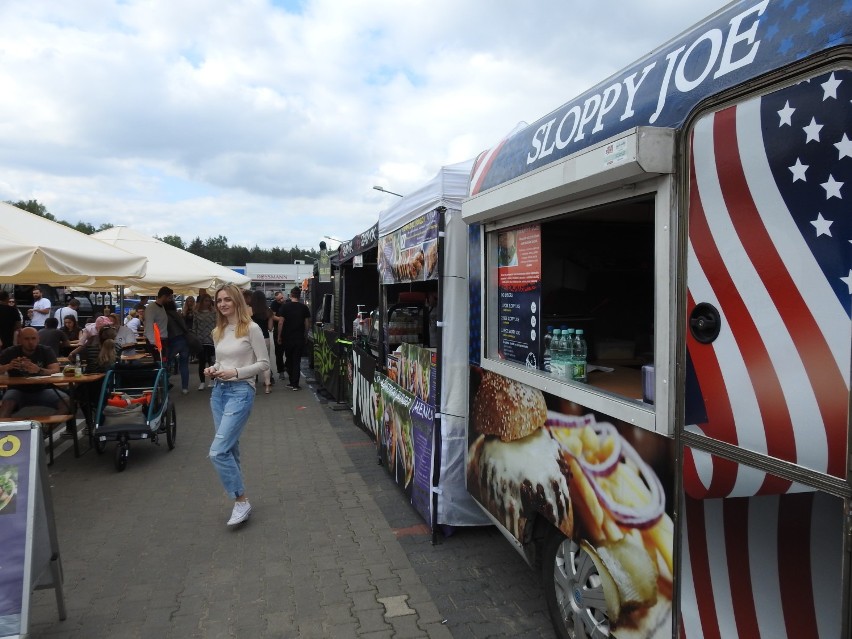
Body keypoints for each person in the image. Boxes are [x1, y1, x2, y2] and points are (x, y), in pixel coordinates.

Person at [204, 284, 269, 526]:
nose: (222, 304)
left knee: (217, 451)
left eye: (227, 300)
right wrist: (214, 369)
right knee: (229, 449)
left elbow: (264, 364)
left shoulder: (251, 328)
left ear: (237, 302)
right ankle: (240, 502)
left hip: (241, 392)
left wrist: (236, 372)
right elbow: (221, 362)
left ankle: (241, 500)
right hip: (219, 393)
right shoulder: (218, 330)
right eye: (219, 300)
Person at [0, 327, 71, 417]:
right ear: (19, 340)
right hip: (17, 390)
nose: (30, 342)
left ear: (38, 339)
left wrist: (38, 370)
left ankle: (47, 428)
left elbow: (55, 370)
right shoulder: (10, 352)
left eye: (33, 338)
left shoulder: (45, 350)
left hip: (42, 389)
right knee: (6, 406)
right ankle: (3, 429)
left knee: (68, 403)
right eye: (26, 339)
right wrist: (8, 366)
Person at [277, 287, 311, 391]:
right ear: (299, 295)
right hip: (299, 337)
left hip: (287, 338)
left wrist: (279, 336)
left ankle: (292, 381)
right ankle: (295, 383)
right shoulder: (304, 308)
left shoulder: (285, 307)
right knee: (297, 360)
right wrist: (305, 335)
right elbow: (307, 323)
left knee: (289, 359)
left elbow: (281, 322)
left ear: (291, 295)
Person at [250, 290, 277, 394]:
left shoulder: (250, 311)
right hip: (265, 338)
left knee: (252, 362)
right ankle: (267, 386)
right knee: (265, 361)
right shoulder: (268, 311)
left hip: (252, 339)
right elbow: (270, 328)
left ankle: (252, 386)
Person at [164, 300, 191, 395]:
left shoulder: (164, 315)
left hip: (172, 341)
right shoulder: (178, 314)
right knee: (184, 365)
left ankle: (165, 384)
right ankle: (185, 388)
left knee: (165, 363)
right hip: (184, 341)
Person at [192, 294, 216, 390]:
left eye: (209, 300)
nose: (207, 302)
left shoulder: (214, 312)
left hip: (211, 339)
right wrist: (195, 337)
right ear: (202, 302)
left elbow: (217, 325)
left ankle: (212, 379)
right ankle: (202, 382)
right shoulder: (196, 313)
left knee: (211, 360)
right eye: (205, 300)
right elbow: (194, 326)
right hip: (200, 339)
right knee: (201, 361)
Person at [144, 287, 173, 362]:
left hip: (162, 340)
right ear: (164, 296)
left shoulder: (162, 307)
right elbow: (148, 327)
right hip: (156, 341)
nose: (170, 300)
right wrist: (154, 343)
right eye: (169, 298)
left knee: (163, 363)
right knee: (159, 363)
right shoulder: (151, 308)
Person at [270, 291, 287, 379]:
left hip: (288, 329)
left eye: (281, 298)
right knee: (279, 352)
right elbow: (272, 316)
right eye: (279, 299)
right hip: (277, 329)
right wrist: (282, 319)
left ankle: (287, 366)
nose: (281, 300)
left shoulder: (288, 303)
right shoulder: (274, 304)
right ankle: (281, 371)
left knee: (288, 350)